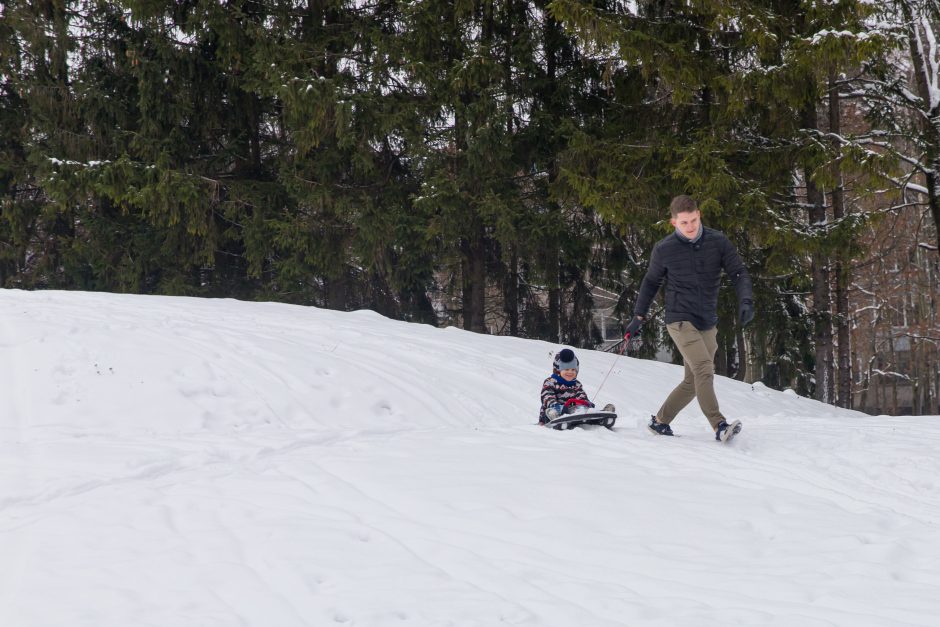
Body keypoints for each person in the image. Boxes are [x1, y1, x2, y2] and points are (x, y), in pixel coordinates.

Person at [624, 195, 753, 441]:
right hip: (679, 319)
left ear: (699, 215)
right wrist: (638, 316)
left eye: (693, 220)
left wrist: (746, 299)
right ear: (674, 223)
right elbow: (651, 282)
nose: (691, 226)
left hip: (707, 320)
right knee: (704, 369)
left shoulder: (718, 241)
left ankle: (660, 421)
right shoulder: (665, 249)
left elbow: (738, 272)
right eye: (684, 223)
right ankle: (719, 425)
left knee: (693, 380)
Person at [539, 348, 615, 424]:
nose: (570, 372)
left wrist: (586, 403)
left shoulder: (576, 384)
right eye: (566, 369)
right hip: (553, 413)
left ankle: (601, 417)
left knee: (582, 408)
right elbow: (547, 396)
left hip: (572, 412)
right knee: (551, 412)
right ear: (558, 370)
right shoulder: (550, 382)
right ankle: (555, 418)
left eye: (573, 369)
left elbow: (581, 396)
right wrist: (554, 405)